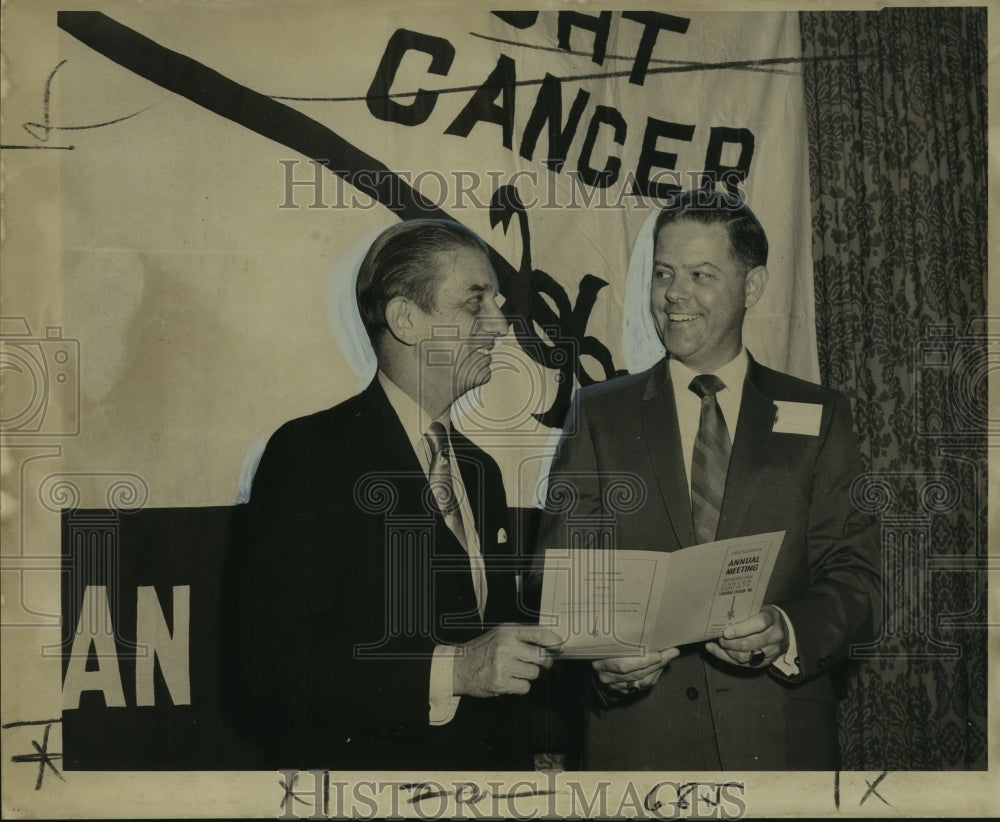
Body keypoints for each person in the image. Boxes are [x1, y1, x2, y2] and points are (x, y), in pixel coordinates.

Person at [534, 189, 882, 770]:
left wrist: (786, 627)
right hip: (637, 741)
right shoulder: (599, 413)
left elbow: (858, 574)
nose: (674, 293)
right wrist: (601, 655)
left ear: (752, 287)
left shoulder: (819, 414)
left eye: (701, 274)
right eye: (664, 272)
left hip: (779, 744)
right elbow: (559, 568)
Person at [240, 219, 562, 770]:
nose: (500, 324)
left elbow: (498, 648)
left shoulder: (479, 471)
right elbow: (277, 665)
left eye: (498, 302)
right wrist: (454, 671)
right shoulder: (312, 453)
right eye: (474, 303)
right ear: (406, 319)